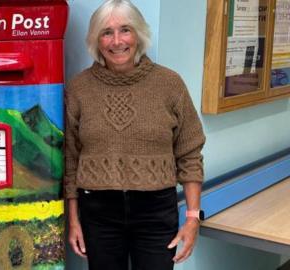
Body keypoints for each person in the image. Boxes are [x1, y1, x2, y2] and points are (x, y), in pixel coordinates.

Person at [64, 0, 206, 269]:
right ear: (97, 40)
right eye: (106, 32)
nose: (117, 41)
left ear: (138, 34)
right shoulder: (79, 89)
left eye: (125, 30)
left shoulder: (169, 83)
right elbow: (70, 160)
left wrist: (192, 218)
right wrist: (73, 221)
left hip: (156, 210)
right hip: (98, 212)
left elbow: (190, 154)